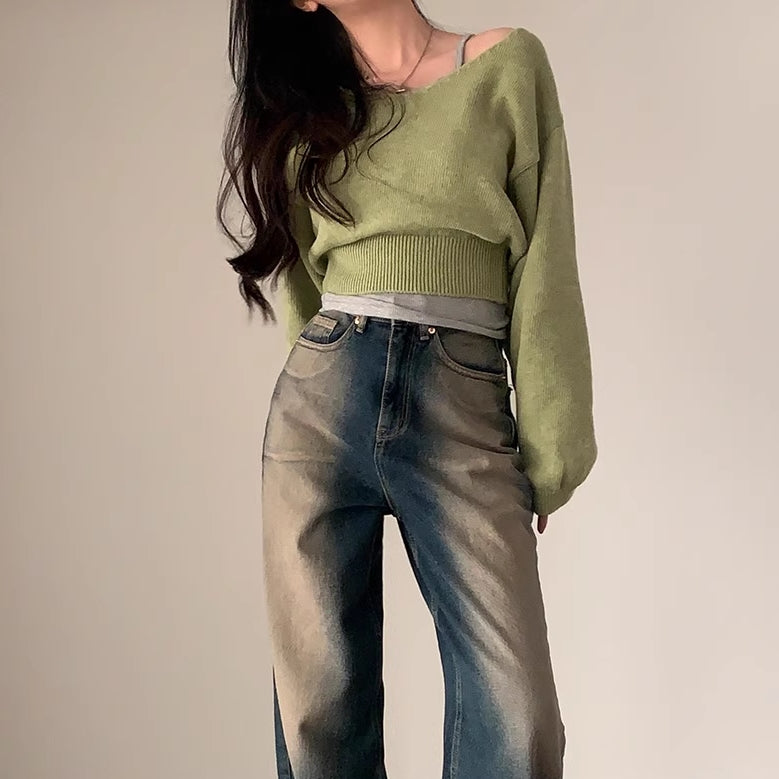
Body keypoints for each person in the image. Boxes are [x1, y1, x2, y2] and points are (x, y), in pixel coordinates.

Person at [217, 1, 597, 776]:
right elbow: (302, 285)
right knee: (318, 719)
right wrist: (328, 379)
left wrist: (553, 440)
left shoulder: (505, 64)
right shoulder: (313, 113)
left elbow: (545, 255)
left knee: (517, 718)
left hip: (462, 396)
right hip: (323, 403)